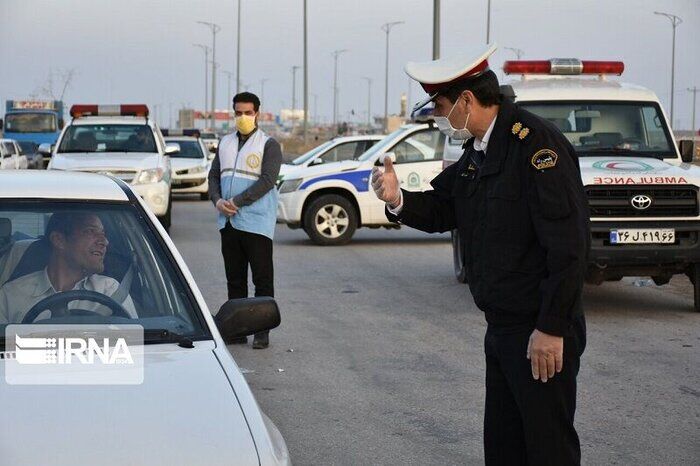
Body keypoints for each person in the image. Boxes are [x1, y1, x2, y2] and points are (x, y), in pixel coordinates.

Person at [371, 44, 590, 465]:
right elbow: (444, 208)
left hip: (537, 331)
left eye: (440, 104)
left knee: (548, 450)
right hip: (503, 329)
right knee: (505, 448)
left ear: (467, 100)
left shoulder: (535, 145)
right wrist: (398, 199)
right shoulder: (478, 149)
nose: (437, 115)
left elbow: (569, 246)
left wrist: (551, 327)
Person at [208, 92, 282, 349]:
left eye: (247, 113)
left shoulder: (268, 144)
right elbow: (214, 177)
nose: (242, 117)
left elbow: (268, 180)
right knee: (235, 279)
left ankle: (262, 331)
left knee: (262, 279)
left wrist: (237, 202)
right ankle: (237, 330)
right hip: (228, 222)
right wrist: (218, 201)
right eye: (238, 113)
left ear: (257, 114)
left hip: (256, 222)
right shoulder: (225, 143)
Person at [0, 212, 137, 324]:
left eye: (103, 233)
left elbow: (134, 346)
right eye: (90, 231)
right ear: (59, 240)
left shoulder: (111, 291)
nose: (104, 241)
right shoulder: (11, 295)